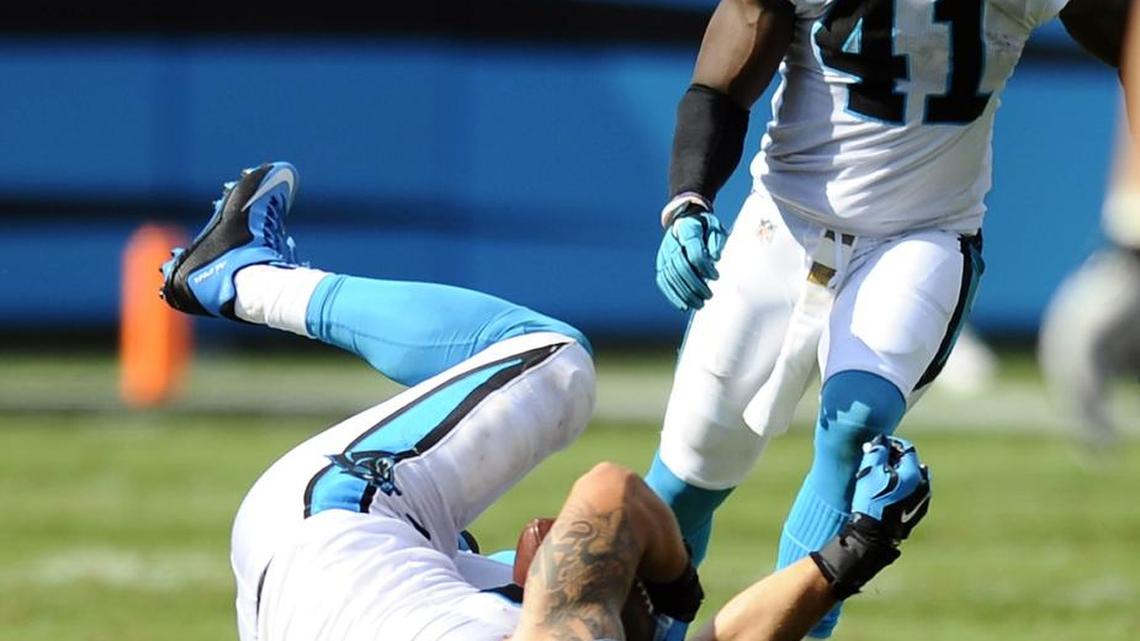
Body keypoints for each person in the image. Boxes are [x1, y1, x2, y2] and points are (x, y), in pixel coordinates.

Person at [160, 163, 932, 641]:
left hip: (326, 535)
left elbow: (609, 494)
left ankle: (241, 276)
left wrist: (670, 592)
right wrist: (840, 561)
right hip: (289, 609)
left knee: (554, 364)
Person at [646, 0, 1128, 638]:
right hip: (785, 222)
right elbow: (726, 74)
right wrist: (688, 198)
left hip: (922, 235)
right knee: (688, 482)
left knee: (857, 426)